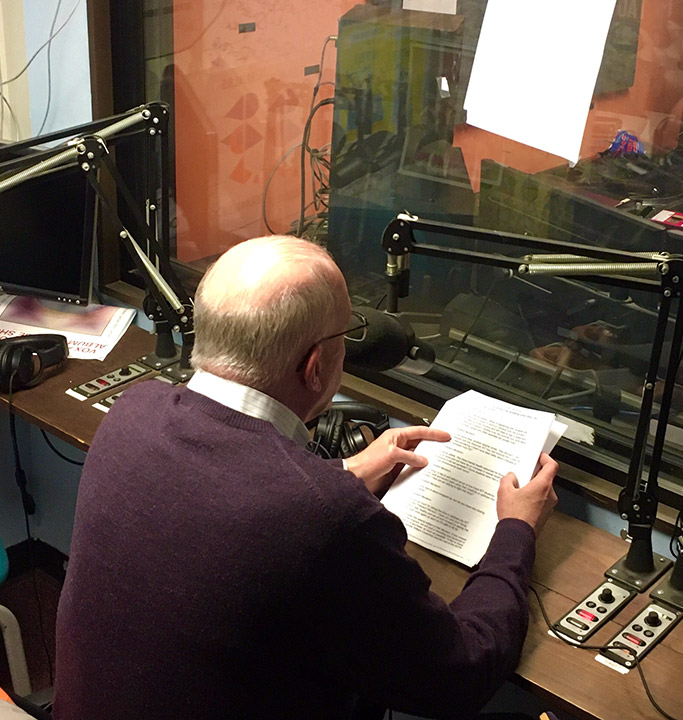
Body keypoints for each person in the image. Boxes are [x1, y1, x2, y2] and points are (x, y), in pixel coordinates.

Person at [53, 235, 559, 720]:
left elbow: (228, 497)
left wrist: (345, 473)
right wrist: (515, 532)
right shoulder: (325, 517)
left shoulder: (133, 410)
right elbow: (463, 674)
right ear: (315, 366)